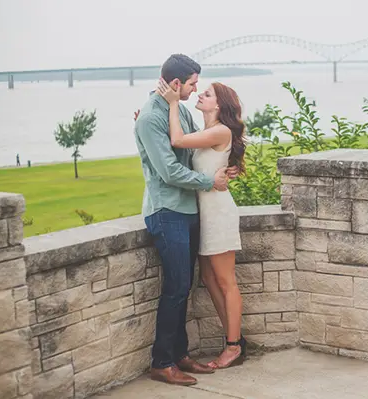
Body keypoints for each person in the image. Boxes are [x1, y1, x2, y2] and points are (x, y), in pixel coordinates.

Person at [133, 54, 237, 387]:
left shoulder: (182, 112)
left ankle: (179, 355)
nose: (195, 89)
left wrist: (225, 162)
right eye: (193, 84)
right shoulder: (150, 117)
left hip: (189, 211)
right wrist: (211, 181)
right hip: (167, 211)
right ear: (177, 84)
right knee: (176, 287)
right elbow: (169, 171)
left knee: (184, 286)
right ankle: (161, 362)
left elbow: (195, 149)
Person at [154, 77, 247, 370]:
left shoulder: (219, 131)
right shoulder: (206, 131)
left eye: (206, 94)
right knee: (209, 279)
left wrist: (170, 104)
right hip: (204, 214)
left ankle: (233, 346)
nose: (200, 95)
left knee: (225, 281)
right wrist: (146, 124)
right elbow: (181, 142)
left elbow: (177, 140)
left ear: (219, 104)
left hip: (218, 213)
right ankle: (235, 340)